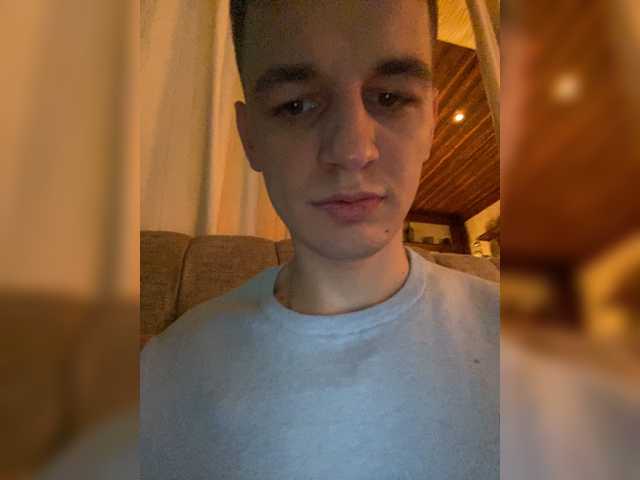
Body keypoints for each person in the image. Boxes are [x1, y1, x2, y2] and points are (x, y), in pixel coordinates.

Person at [141, 1, 499, 478]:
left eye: (390, 97)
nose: (352, 150)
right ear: (250, 138)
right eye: (296, 106)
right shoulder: (164, 376)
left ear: (432, 121)